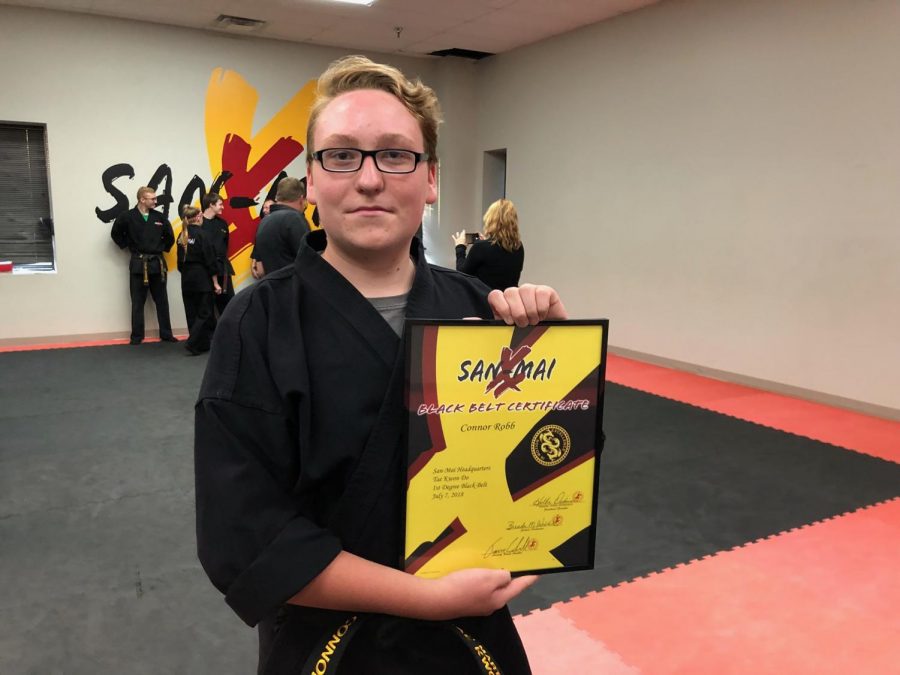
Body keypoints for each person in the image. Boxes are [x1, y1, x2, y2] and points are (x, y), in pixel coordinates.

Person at [194, 55, 567, 675]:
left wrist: (556, 365)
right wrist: (424, 597)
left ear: (431, 180)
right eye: (341, 155)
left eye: (396, 154)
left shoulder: (479, 309)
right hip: (328, 649)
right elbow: (245, 537)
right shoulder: (257, 323)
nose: (369, 178)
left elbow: (552, 465)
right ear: (310, 181)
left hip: (468, 642)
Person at [110, 186, 178, 344]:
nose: (156, 201)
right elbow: (116, 234)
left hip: (157, 263)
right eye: (152, 198)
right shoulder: (127, 216)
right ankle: (137, 336)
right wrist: (128, 246)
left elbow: (169, 237)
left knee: (162, 301)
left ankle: (166, 334)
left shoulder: (159, 217)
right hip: (139, 263)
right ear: (142, 199)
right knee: (137, 302)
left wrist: (160, 249)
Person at [453, 198, 525, 291]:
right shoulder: (518, 246)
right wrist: (484, 243)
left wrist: (460, 247)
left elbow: (461, 275)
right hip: (508, 302)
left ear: (491, 220)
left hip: (484, 303)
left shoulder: (481, 248)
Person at [177, 206, 221, 355]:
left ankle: (199, 345)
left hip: (187, 279)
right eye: (201, 216)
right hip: (202, 278)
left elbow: (179, 264)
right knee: (205, 313)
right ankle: (192, 342)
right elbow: (210, 260)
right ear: (196, 218)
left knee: (192, 313)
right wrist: (215, 282)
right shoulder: (203, 235)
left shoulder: (182, 235)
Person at [249, 177, 311, 278]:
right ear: (301, 199)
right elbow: (309, 261)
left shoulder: (263, 222)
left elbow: (260, 270)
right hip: (296, 289)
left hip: (274, 289)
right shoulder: (295, 219)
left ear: (278, 198)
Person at [200, 192, 234, 315]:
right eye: (220, 204)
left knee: (228, 303)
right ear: (211, 205)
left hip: (222, 268)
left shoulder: (222, 223)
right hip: (205, 270)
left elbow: (225, 245)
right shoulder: (199, 223)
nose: (223, 207)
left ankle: (229, 332)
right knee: (206, 306)